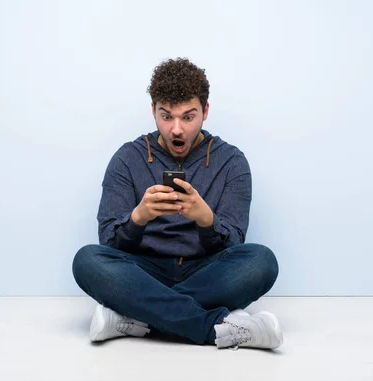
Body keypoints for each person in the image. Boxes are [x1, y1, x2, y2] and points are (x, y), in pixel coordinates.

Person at [72, 57, 282, 350]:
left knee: (262, 261)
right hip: (143, 270)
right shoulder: (127, 158)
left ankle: (135, 317)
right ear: (153, 111)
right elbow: (108, 242)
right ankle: (217, 328)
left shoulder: (232, 162)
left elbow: (235, 243)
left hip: (204, 271)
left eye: (188, 116)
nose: (177, 129)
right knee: (87, 260)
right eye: (166, 116)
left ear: (205, 111)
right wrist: (139, 218)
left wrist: (206, 220)